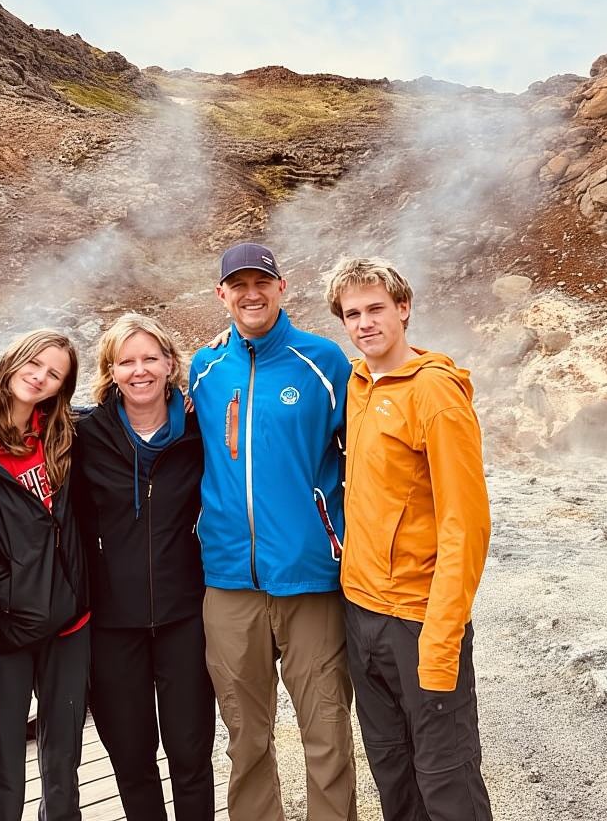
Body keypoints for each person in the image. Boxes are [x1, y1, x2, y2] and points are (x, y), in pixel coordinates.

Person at [189, 242, 356, 821]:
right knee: (245, 736)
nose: (251, 293)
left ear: (283, 288)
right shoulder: (205, 368)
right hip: (230, 580)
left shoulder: (324, 362)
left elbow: (361, 455)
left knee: (327, 729)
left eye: (262, 282)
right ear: (222, 295)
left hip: (310, 574)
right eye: (238, 285)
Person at [323, 257, 493, 821]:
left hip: (419, 621)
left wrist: (442, 644)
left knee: (446, 781)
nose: (365, 322)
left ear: (404, 308)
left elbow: (465, 524)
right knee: (393, 775)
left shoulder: (436, 396)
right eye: (353, 313)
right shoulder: (357, 384)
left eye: (376, 309)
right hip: (362, 611)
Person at [71, 313, 215, 820]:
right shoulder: (84, 434)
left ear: (171, 364)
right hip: (111, 624)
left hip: (185, 616)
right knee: (131, 759)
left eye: (150, 358)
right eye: (125, 361)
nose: (140, 371)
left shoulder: (200, 428)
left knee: (191, 755)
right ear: (110, 371)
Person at [0, 329, 89, 821]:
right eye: (35, 364)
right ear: (14, 359)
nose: (40, 377)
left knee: (63, 757)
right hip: (6, 623)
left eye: (54, 374)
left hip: (70, 620)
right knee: (0, 758)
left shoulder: (62, 434)